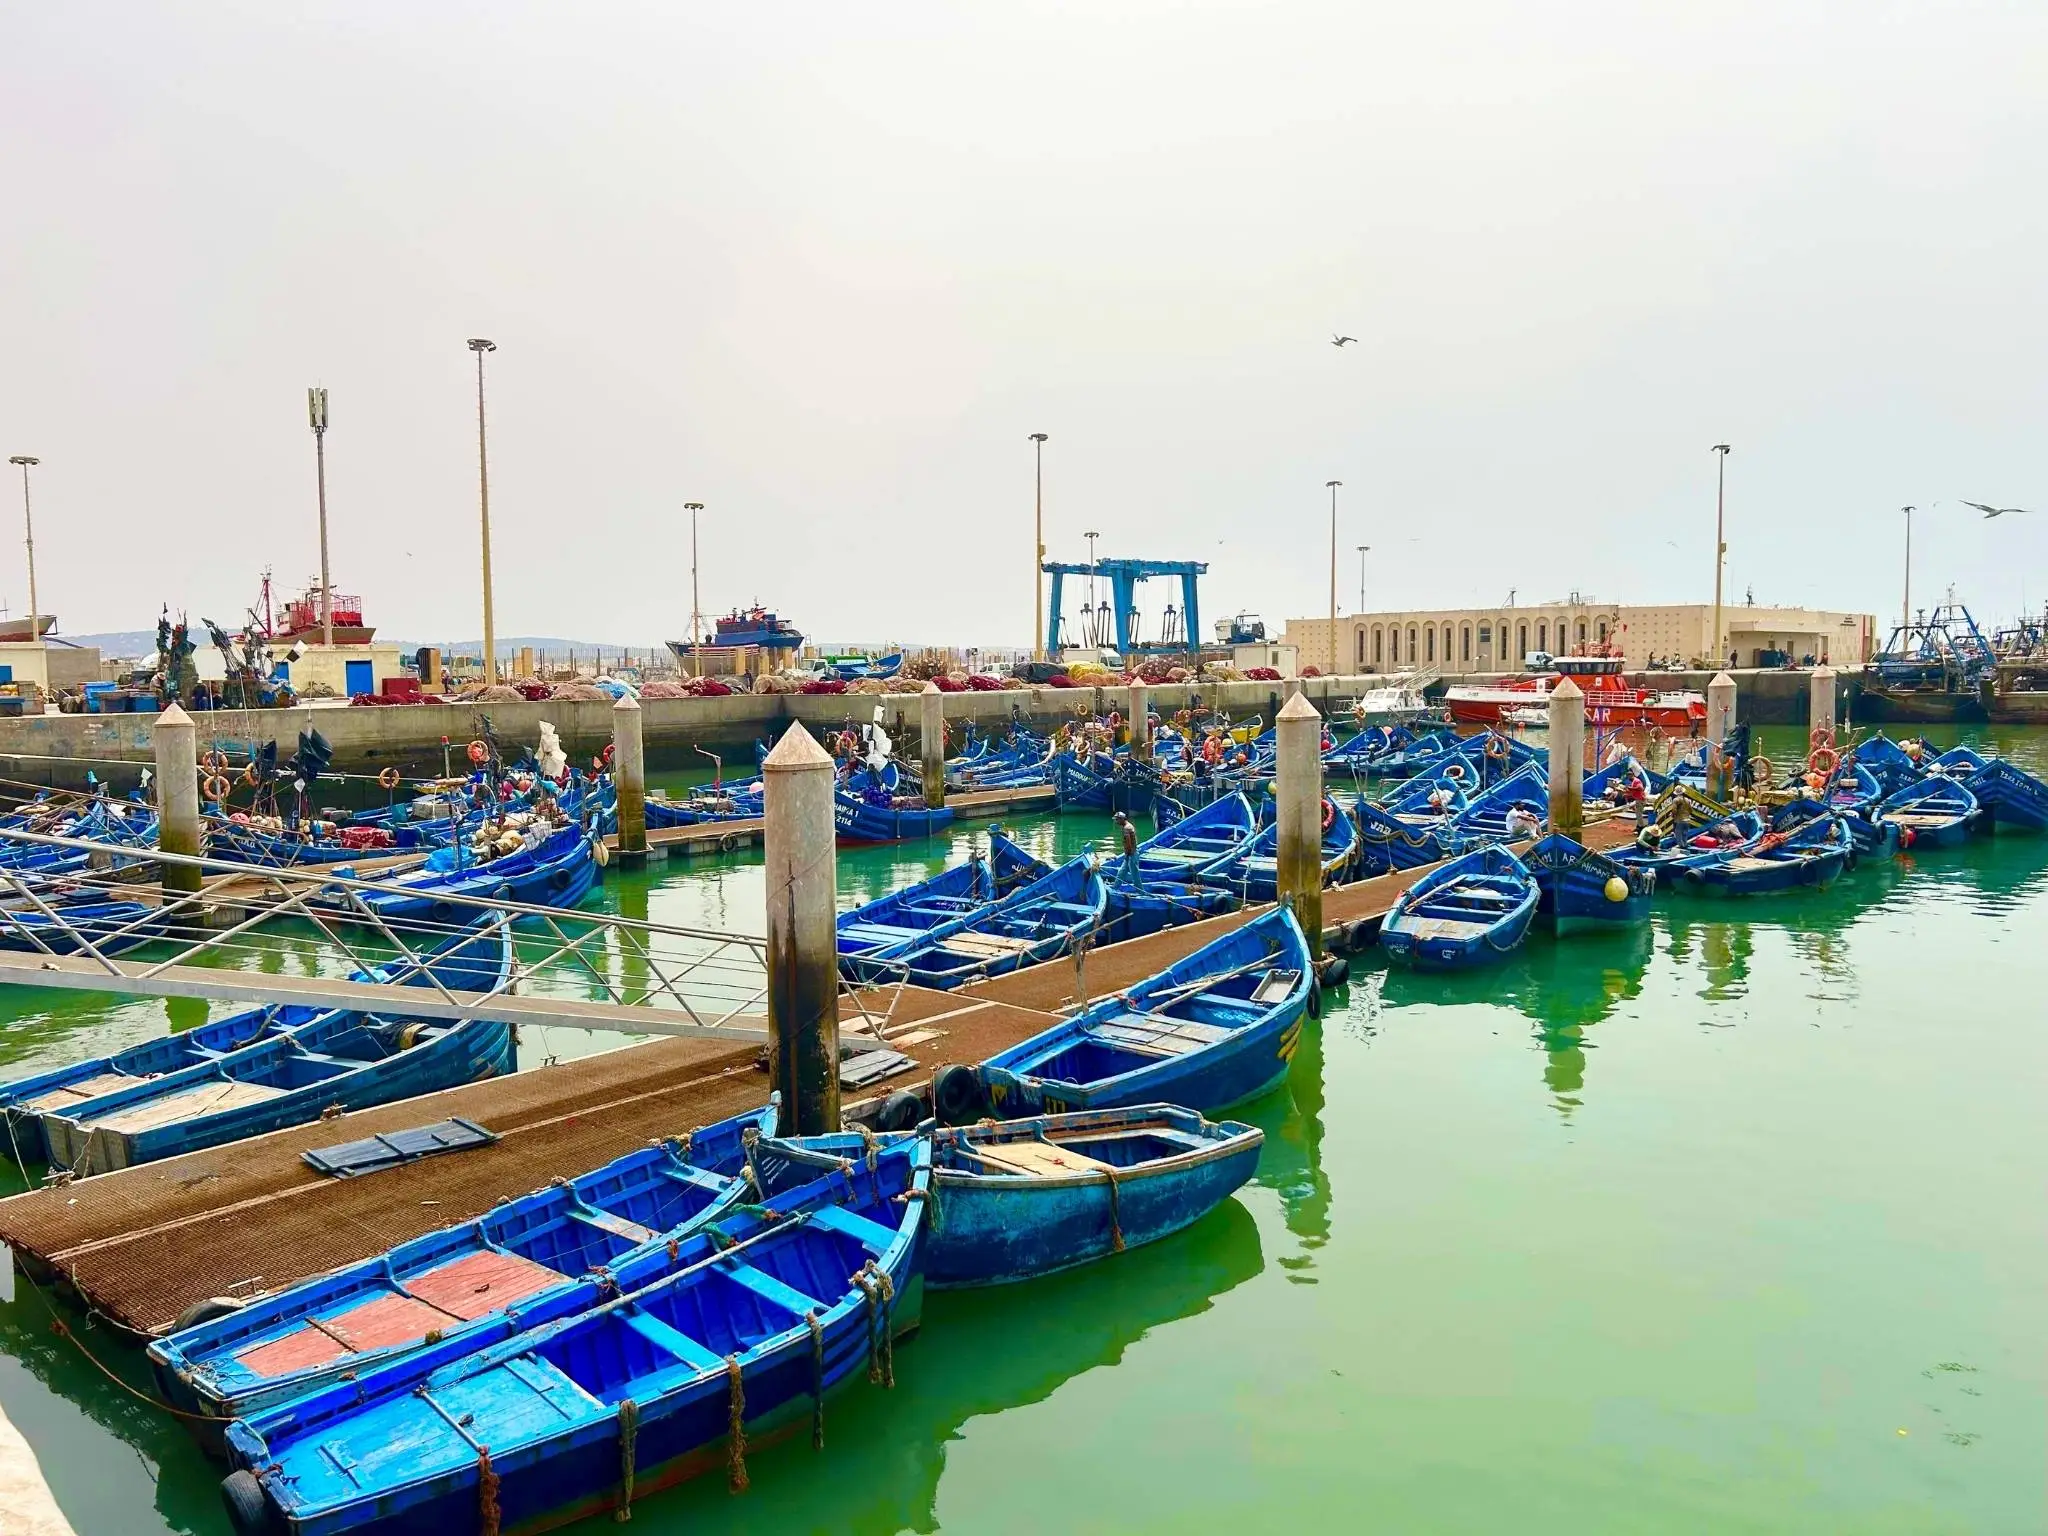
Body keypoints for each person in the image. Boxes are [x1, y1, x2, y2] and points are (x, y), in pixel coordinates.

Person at [1111, 811, 1142, 886]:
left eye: (1117, 819)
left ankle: (1141, 892)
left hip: (1131, 854)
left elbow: (1128, 843)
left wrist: (1128, 854)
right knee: (1121, 872)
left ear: (1122, 819)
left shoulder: (1126, 828)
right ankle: (1115, 887)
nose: (1116, 821)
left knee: (1135, 876)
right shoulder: (1128, 826)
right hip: (1129, 854)